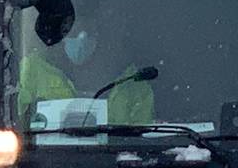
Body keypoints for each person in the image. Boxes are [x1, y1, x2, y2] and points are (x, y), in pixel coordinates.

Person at [18, 10, 152, 127]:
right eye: (73, 31)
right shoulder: (31, 71)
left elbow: (142, 141)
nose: (82, 38)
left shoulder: (133, 82)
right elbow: (15, 124)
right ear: (59, 36)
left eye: (89, 32)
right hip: (42, 156)